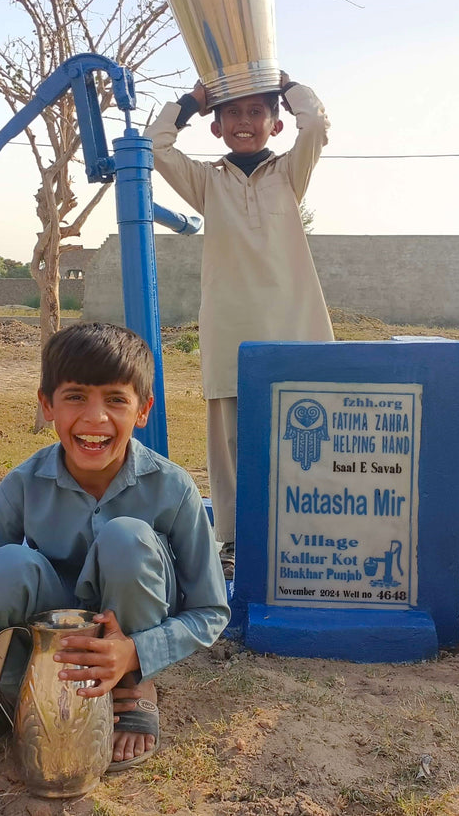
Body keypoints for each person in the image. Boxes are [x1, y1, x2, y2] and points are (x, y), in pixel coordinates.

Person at [0, 321, 229, 769]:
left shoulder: (173, 487)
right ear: (47, 404)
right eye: (75, 396)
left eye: (116, 399)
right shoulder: (22, 484)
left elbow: (211, 610)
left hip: (131, 637)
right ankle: (14, 698)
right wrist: (12, 682)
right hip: (46, 638)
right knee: (5, 566)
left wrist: (135, 651)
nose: (95, 418)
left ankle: (131, 689)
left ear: (143, 409)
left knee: (126, 537)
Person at [144, 74, 334, 577]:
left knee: (306, 433)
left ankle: (307, 531)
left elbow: (314, 125)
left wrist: (289, 85)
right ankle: (232, 541)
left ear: (274, 123)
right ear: (217, 127)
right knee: (230, 444)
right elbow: (156, 146)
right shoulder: (208, 184)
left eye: (256, 112)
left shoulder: (290, 173)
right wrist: (192, 101)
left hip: (295, 325)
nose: (245, 122)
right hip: (231, 330)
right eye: (233, 114)